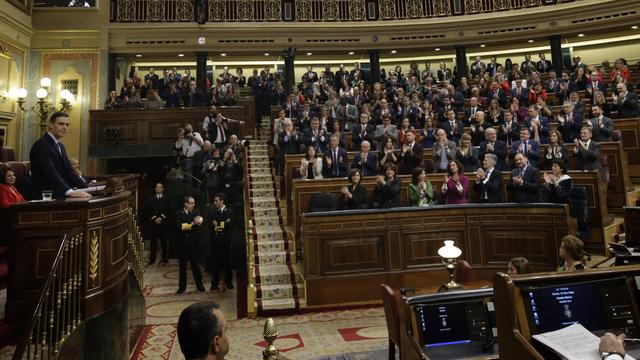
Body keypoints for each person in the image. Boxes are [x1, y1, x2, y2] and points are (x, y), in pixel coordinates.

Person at [29, 112, 92, 200]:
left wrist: (88, 189)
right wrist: (70, 192)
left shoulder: (60, 146)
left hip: (58, 195)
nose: (65, 127)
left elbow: (69, 171)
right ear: (51, 125)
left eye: (67, 125)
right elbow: (50, 173)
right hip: (45, 198)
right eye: (61, 124)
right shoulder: (41, 145)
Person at [176, 196, 206, 294]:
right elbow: (180, 227)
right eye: (191, 203)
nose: (193, 205)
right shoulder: (179, 213)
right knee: (183, 266)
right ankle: (182, 287)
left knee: (195, 265)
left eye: (194, 203)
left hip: (194, 243)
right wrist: (192, 224)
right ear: (186, 204)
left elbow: (200, 221)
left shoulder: (196, 212)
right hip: (183, 244)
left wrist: (194, 223)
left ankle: (200, 285)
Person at [206, 193, 234, 291]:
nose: (214, 203)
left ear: (222, 201)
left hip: (225, 241)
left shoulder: (229, 211)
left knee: (227, 262)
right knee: (215, 263)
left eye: (216, 201)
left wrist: (217, 224)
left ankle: (229, 282)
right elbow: (210, 224)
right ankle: (215, 283)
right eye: (214, 201)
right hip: (215, 240)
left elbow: (230, 225)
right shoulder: (212, 211)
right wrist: (223, 223)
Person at [147, 182, 170, 265]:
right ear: (155, 189)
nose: (158, 188)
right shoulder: (151, 199)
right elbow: (148, 210)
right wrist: (155, 218)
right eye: (157, 187)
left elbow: (168, 210)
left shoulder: (166, 199)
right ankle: (152, 259)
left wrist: (161, 217)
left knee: (164, 241)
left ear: (163, 189)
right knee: (153, 242)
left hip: (163, 223)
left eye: (160, 187)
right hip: (154, 223)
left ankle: (165, 258)